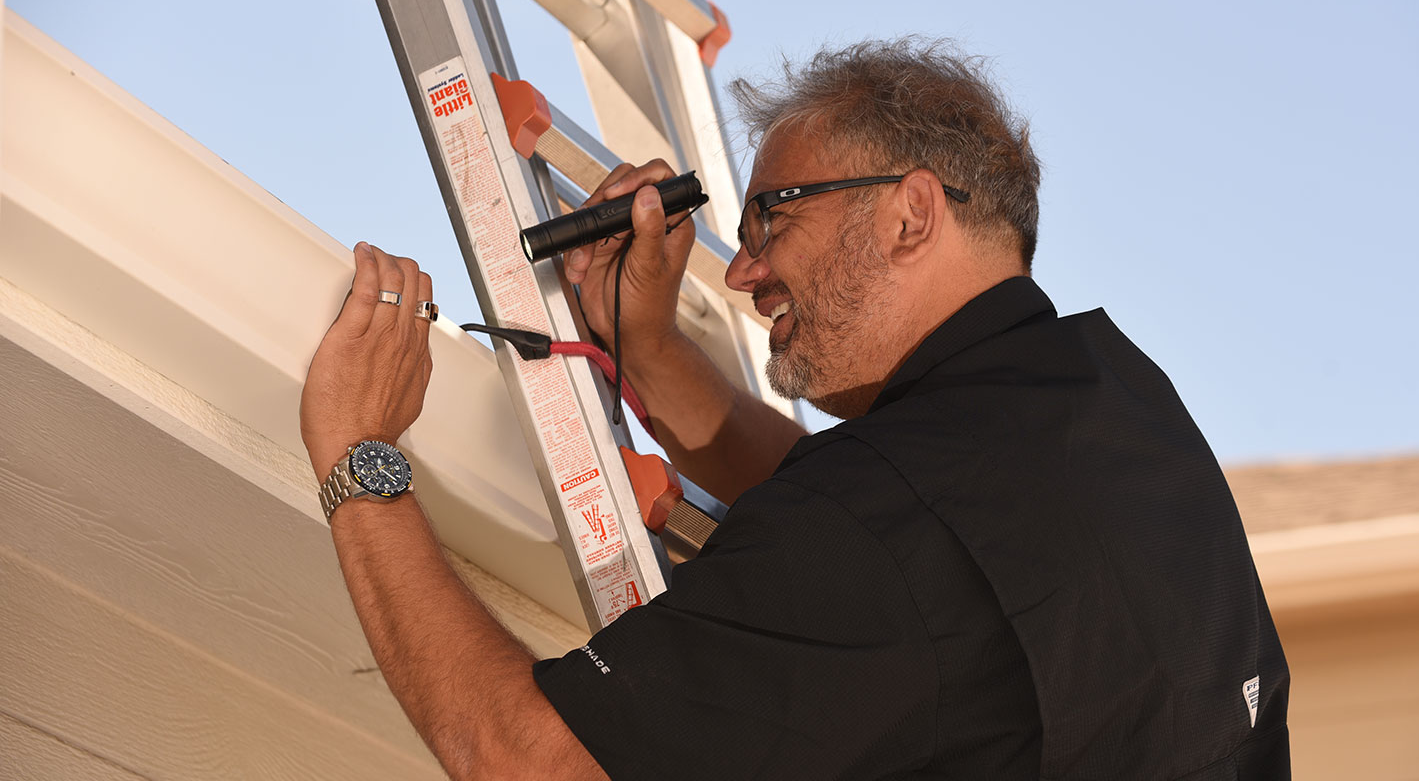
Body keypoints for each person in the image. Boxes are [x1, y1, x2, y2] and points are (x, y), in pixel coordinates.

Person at [300, 38, 1290, 780]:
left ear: (911, 211)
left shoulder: (889, 520)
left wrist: (359, 456)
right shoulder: (1114, 410)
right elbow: (892, 533)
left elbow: (519, 756)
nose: (741, 271)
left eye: (777, 212)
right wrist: (646, 348)